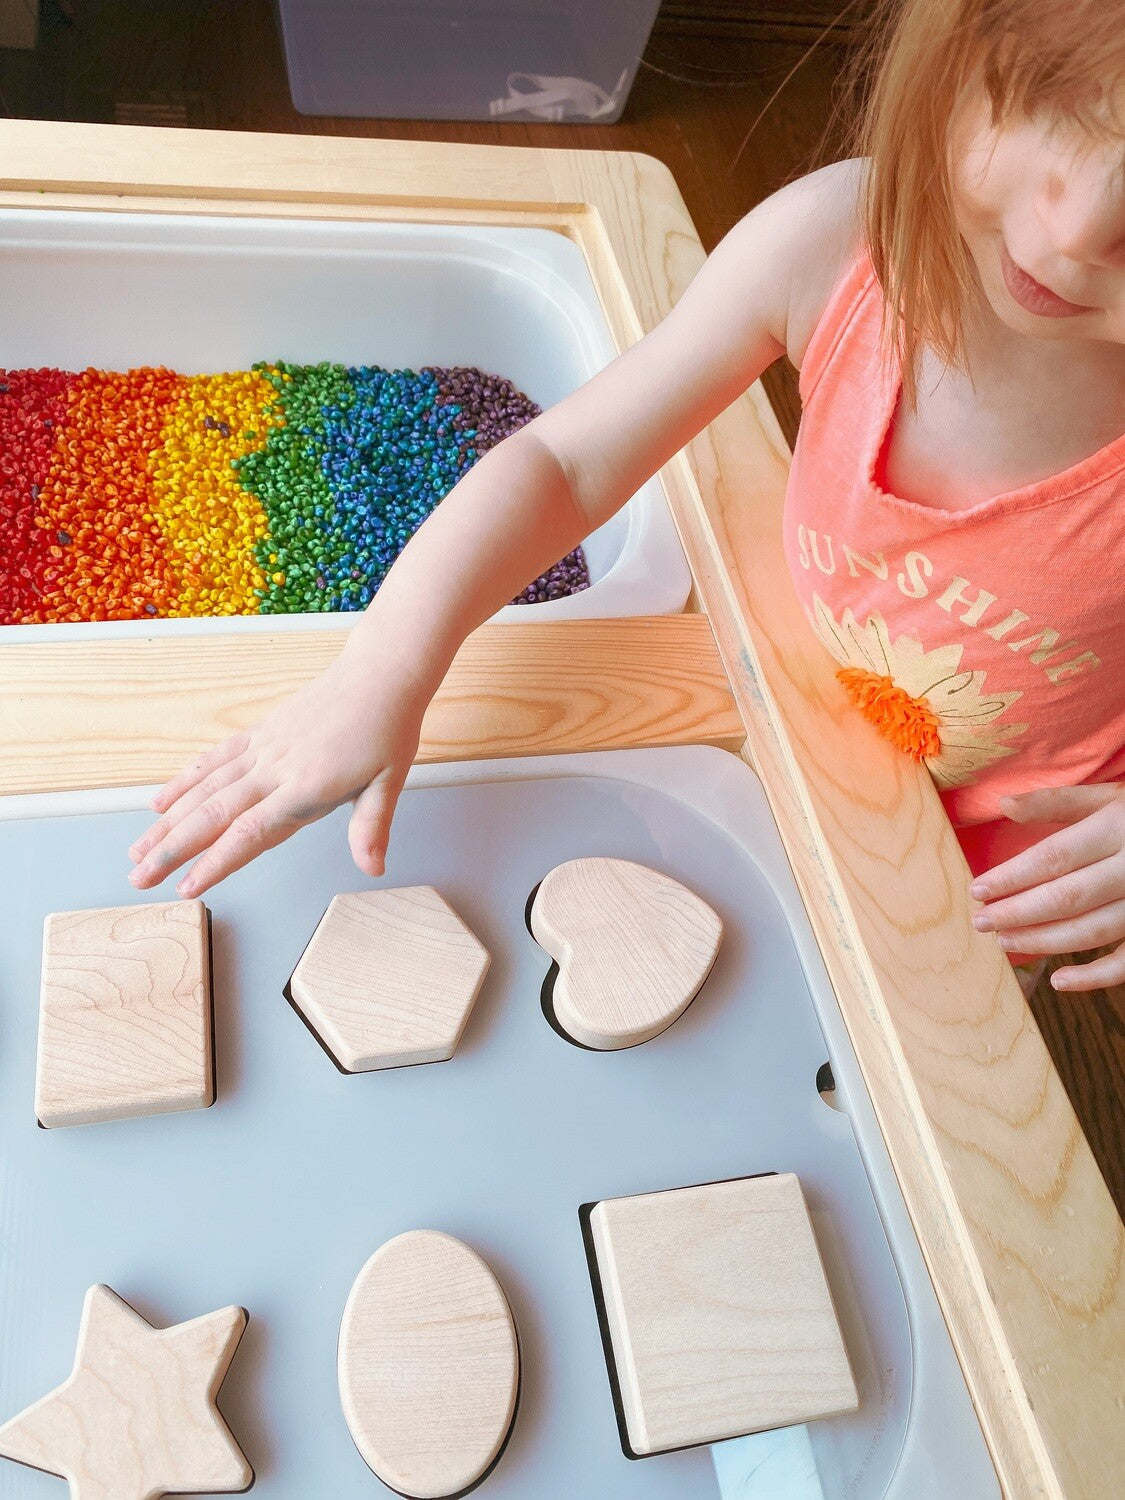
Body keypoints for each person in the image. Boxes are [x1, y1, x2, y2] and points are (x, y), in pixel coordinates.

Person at [128, 0, 1125, 993]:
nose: (1078, 228)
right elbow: (561, 465)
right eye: (1048, 102)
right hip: (797, 740)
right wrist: (382, 668)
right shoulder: (834, 242)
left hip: (1023, 872)